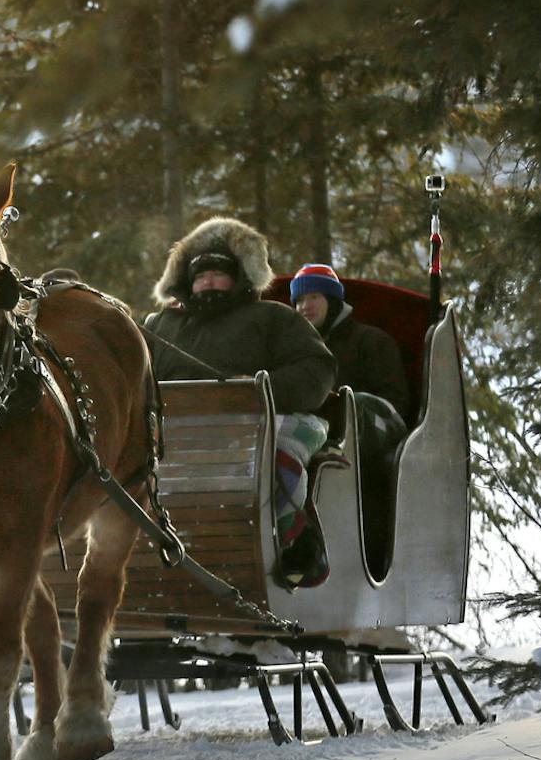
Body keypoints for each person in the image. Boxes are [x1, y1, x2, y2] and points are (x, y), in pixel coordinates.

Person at [144, 219, 336, 590]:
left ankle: (295, 543)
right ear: (186, 282)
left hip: (261, 423)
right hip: (174, 433)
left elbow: (317, 368)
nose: (209, 282)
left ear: (240, 277)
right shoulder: (159, 326)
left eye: (218, 274)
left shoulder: (273, 317)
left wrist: (260, 392)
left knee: (277, 459)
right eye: (201, 276)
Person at [288, 263, 409, 556]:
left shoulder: (371, 342)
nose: (306, 306)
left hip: (368, 444)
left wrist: (346, 411)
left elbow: (395, 406)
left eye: (314, 297)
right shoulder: (291, 352)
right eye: (300, 301)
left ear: (333, 300)